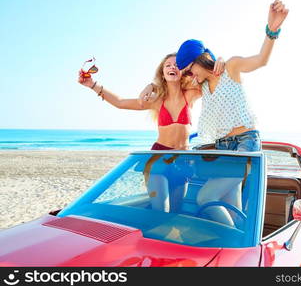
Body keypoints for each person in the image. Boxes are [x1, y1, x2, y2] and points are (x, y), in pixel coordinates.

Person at [175, 0, 289, 226]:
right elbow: (172, 85)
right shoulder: (202, 86)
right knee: (233, 205)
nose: (190, 76)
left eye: (190, 70)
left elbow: (261, 60)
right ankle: (238, 248)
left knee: (205, 197)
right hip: (223, 146)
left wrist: (272, 30)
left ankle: (236, 241)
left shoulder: (231, 67)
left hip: (246, 141)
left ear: (199, 60)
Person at [78, 53, 224, 211]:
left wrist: (219, 61)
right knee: (161, 209)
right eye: (167, 65)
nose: (172, 67)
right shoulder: (156, 101)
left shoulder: (191, 94)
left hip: (183, 160)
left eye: (176, 64)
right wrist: (92, 84)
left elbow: (213, 78)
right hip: (158, 158)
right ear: (162, 73)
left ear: (184, 70)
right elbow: (120, 103)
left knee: (176, 211)